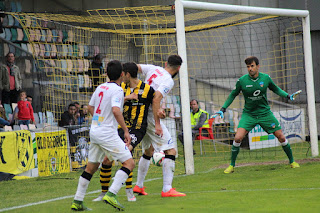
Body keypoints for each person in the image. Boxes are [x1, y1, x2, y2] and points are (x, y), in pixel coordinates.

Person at [213, 56, 301, 174]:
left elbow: (275, 89)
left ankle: (292, 161)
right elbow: (232, 95)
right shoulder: (242, 81)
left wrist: (287, 96)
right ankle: (232, 165)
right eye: (248, 67)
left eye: (252, 66)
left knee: (281, 137)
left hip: (265, 113)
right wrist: (222, 109)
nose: (250, 69)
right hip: (249, 114)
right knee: (238, 138)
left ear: (258, 66)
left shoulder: (265, 78)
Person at [71, 60, 134, 211]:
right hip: (107, 133)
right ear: (122, 74)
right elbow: (116, 110)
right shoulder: (118, 90)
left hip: (95, 131)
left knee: (91, 167)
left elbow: (90, 107)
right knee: (129, 163)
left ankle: (77, 201)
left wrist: (100, 119)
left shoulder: (100, 87)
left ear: (106, 74)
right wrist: (125, 130)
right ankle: (111, 194)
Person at [92, 62, 155, 202]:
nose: (121, 76)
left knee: (127, 154)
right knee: (107, 160)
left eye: (123, 73)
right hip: (120, 128)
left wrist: (160, 114)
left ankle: (128, 192)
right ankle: (103, 193)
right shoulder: (120, 88)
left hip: (137, 128)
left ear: (127, 74)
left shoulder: (148, 89)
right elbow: (112, 103)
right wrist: (128, 98)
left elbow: (156, 104)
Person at [133, 55, 186, 197]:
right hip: (150, 117)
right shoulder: (168, 80)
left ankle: (138, 186)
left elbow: (135, 67)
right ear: (178, 68)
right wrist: (157, 123)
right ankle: (167, 189)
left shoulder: (154, 68)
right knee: (171, 151)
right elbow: (156, 97)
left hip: (140, 113)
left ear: (165, 63)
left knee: (149, 151)